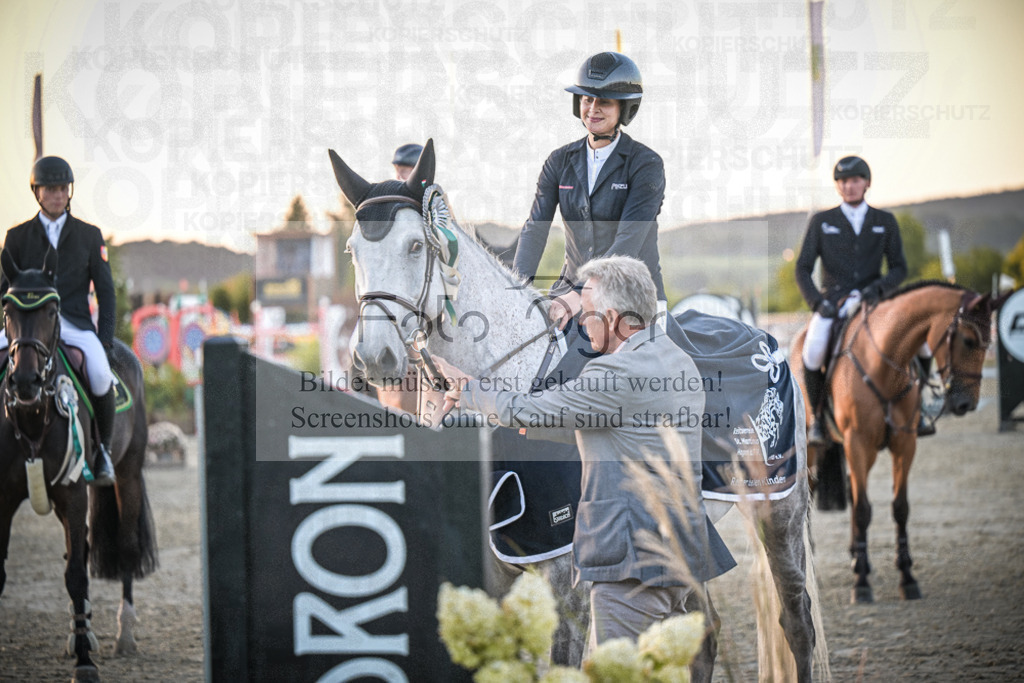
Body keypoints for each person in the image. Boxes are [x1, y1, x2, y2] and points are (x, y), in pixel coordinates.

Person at [437, 256, 735, 651]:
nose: (582, 323)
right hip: (683, 554)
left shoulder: (614, 374)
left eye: (589, 314)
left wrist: (469, 391)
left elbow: (530, 408)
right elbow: (587, 422)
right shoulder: (675, 358)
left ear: (613, 318)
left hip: (631, 567)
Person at [513, 52, 671, 371]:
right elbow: (535, 229)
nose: (593, 109)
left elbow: (628, 241)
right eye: (587, 99)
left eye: (605, 102)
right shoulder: (559, 161)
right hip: (568, 291)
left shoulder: (646, 164)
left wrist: (580, 296)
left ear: (625, 108)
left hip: (630, 300)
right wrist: (517, 289)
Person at [796, 155, 933, 445]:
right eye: (843, 181)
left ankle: (920, 408)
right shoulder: (822, 222)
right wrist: (818, 304)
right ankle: (819, 420)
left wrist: (879, 289)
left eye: (855, 180)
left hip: (877, 300)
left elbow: (899, 268)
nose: (849, 186)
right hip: (834, 301)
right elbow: (802, 268)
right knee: (812, 349)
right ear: (838, 186)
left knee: (921, 344)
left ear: (867, 183)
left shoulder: (884, 221)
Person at [1, 156, 117, 485]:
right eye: (51, 189)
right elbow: (2, 289)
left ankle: (104, 452)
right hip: (26, 328)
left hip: (75, 325)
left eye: (63, 189)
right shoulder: (17, 236)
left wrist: (105, 339)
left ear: (70, 192)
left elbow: (106, 293)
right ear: (37, 192)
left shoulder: (89, 235)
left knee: (98, 372)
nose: (58, 195)